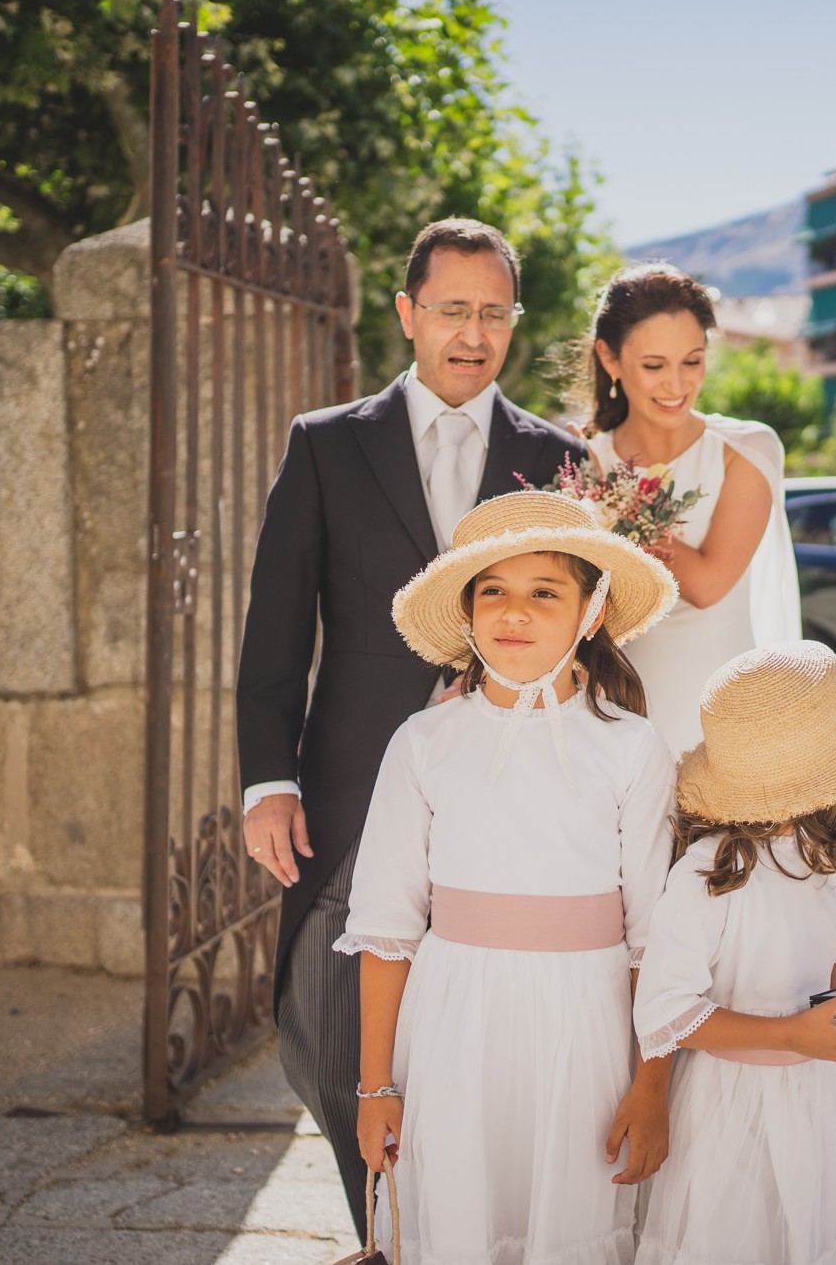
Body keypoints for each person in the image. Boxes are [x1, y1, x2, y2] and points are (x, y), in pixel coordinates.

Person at [234, 219, 585, 1238]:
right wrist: (269, 781)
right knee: (327, 1028)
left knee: (470, 1043)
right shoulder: (325, 444)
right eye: (451, 310)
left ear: (511, 322)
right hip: (350, 790)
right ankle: (382, 1231)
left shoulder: (557, 461)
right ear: (407, 314)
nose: (471, 334)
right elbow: (274, 632)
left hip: (506, 802)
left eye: (491, 313)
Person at [341, 490, 680, 1263]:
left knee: (573, 1223)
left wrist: (651, 1082)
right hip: (457, 1022)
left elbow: (655, 938)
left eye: (544, 592)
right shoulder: (424, 741)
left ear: (590, 612)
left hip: (587, 1028)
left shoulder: (631, 749)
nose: (514, 611)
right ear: (466, 609)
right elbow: (387, 927)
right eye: (492, 589)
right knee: (464, 1214)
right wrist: (374, 1086)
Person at [633, 640, 836, 1265]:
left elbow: (819, 948)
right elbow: (664, 1013)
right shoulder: (710, 873)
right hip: (734, 1106)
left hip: (816, 1098)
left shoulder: (814, 849)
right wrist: (791, 1035)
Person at [578, 263, 801, 753]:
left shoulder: (748, 449)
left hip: (720, 715)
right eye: (654, 366)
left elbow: (706, 585)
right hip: (615, 713)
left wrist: (615, 498)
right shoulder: (583, 458)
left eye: (692, 361)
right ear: (609, 359)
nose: (676, 385)